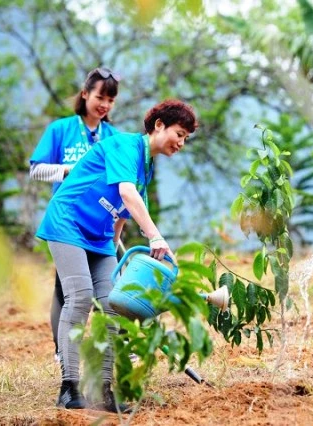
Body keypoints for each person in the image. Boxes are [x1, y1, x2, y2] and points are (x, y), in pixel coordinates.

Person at [35, 99, 197, 411]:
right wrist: (154, 235)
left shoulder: (145, 167)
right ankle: (69, 388)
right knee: (80, 296)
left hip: (98, 237)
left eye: (186, 138)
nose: (181, 142)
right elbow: (126, 193)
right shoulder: (125, 145)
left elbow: (121, 214)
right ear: (159, 125)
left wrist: (114, 254)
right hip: (67, 221)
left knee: (112, 305)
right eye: (179, 133)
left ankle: (103, 391)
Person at [30, 68, 120, 363]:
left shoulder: (114, 137)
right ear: (85, 94)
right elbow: (36, 169)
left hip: (100, 224)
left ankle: (106, 351)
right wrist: (69, 170)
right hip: (67, 222)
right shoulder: (61, 129)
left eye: (110, 99)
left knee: (105, 289)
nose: (104, 104)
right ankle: (63, 350)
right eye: (99, 97)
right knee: (67, 287)